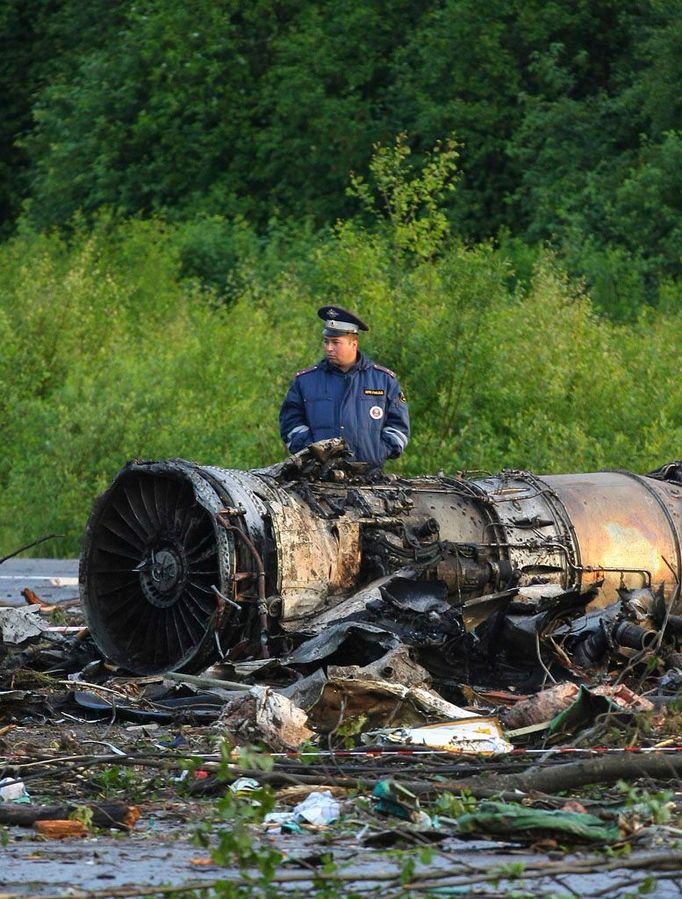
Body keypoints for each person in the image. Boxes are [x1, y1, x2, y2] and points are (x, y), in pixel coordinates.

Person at [279, 306, 410, 468]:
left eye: (335, 342)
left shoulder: (384, 380)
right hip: (315, 477)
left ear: (353, 344)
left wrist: (378, 452)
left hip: (369, 479)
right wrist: (310, 450)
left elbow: (399, 427)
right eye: (326, 342)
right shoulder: (306, 381)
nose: (329, 348)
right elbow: (290, 422)